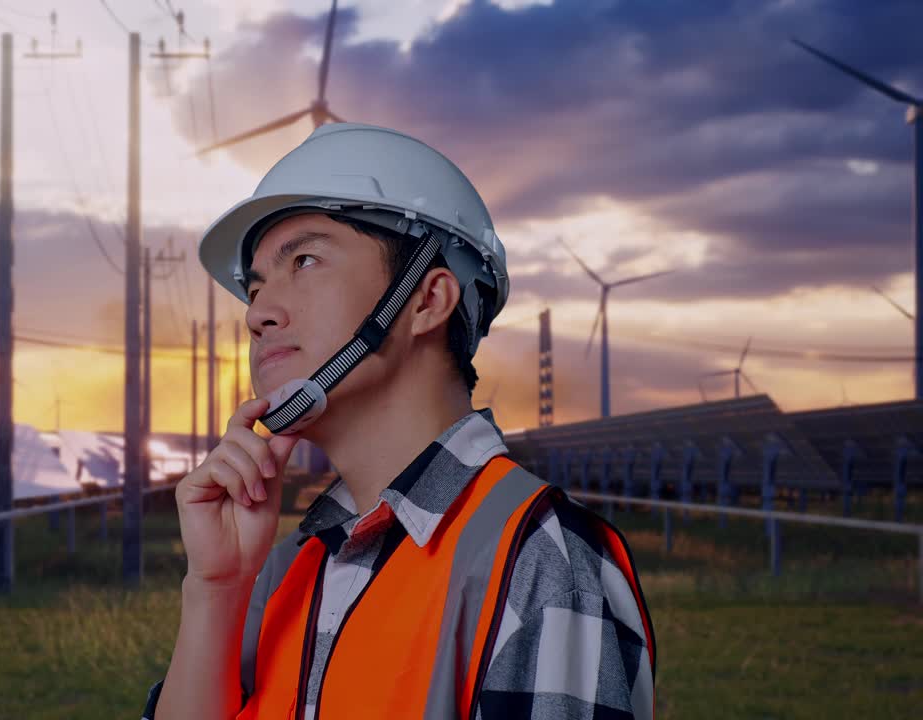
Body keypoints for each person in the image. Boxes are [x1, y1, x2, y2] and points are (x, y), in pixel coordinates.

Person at [143, 123, 655, 720]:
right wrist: (217, 588)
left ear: (427, 301)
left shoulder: (537, 556)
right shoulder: (285, 568)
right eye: (254, 289)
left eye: (304, 260)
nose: (258, 313)